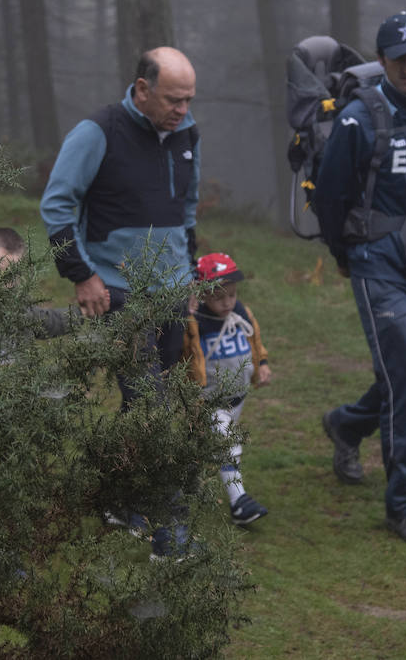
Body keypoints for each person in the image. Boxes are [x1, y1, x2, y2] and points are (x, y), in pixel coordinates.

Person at [39, 46, 200, 559]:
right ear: (142, 88)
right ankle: (169, 537)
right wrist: (82, 275)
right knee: (152, 406)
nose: (182, 110)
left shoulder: (188, 134)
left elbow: (187, 209)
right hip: (119, 291)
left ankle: (120, 499)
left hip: (173, 288)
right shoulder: (97, 131)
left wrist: (190, 272)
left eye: (189, 100)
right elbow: (56, 205)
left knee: (150, 399)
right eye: (173, 99)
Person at [313, 11, 406, 549]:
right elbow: (329, 196)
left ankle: (347, 425)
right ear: (382, 60)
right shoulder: (357, 120)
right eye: (400, 57)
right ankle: (405, 504)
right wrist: (346, 253)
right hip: (375, 258)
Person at [184, 252, 273, 526]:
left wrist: (263, 362)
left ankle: (183, 481)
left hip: (238, 398)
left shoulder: (240, 312)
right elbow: (186, 354)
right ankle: (239, 503)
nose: (227, 302)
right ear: (201, 294)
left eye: (232, 295)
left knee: (202, 445)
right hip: (211, 399)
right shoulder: (195, 321)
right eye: (219, 297)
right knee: (227, 445)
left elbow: (253, 337)